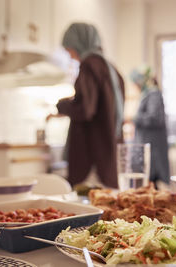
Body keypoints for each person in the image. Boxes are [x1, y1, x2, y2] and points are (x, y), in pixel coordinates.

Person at [47, 22, 125, 188]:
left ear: (78, 44)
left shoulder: (89, 65)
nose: (70, 56)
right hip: (107, 152)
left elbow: (85, 109)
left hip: (91, 157)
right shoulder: (110, 68)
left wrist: (62, 106)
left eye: (69, 50)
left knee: (89, 203)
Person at [130, 66, 170, 187]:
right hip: (150, 148)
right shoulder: (148, 94)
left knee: (151, 185)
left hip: (153, 150)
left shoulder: (154, 94)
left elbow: (154, 118)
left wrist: (133, 118)